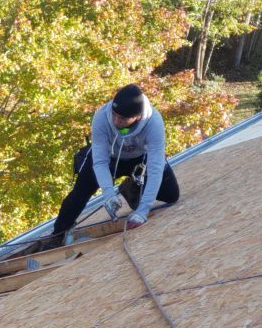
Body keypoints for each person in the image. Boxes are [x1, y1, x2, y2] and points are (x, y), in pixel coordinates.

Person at [46, 83, 179, 247]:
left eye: (122, 119)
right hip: (109, 158)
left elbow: (156, 166)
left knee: (171, 195)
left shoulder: (154, 122)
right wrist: (108, 193)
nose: (116, 121)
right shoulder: (102, 116)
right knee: (80, 192)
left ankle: (131, 188)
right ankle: (57, 234)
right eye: (114, 115)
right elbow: (100, 161)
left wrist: (143, 211)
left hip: (138, 159)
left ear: (137, 116)